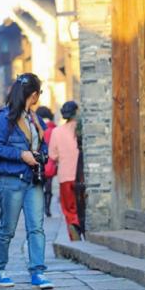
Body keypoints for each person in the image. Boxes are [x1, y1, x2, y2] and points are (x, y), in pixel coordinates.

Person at [0, 73, 54, 290]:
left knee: (37, 227)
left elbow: (42, 145)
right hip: (11, 180)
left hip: (33, 180)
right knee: (8, 227)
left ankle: (38, 271)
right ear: (33, 95)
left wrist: (40, 154)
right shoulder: (5, 118)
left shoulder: (36, 119)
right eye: (39, 93)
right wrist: (21, 155)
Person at [48, 101, 85, 241]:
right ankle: (80, 226)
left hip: (65, 175)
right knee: (82, 205)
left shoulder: (57, 132)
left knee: (69, 208)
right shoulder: (81, 128)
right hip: (81, 174)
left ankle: (73, 227)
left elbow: (52, 155)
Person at [35, 106, 56, 217]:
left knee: (38, 186)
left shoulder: (36, 128)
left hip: (38, 161)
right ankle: (47, 208)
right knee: (49, 186)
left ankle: (39, 208)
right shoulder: (54, 129)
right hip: (51, 161)